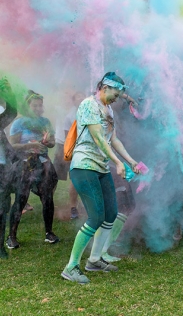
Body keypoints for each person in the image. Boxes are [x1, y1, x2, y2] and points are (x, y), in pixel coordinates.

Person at [61, 72, 142, 284]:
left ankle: (94, 260)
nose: (117, 98)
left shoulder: (108, 110)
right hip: (84, 166)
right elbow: (98, 138)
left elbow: (113, 140)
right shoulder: (88, 105)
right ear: (104, 88)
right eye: (115, 94)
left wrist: (130, 161)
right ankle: (71, 267)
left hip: (101, 167)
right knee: (96, 216)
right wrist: (117, 163)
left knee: (111, 214)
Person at [7, 90, 59, 249]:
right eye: (34, 105)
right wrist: (30, 145)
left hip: (43, 164)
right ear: (27, 106)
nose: (37, 108)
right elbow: (12, 145)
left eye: (40, 105)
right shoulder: (19, 123)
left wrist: (47, 142)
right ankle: (11, 237)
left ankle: (49, 233)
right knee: (21, 199)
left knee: (48, 199)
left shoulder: (45, 122)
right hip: (25, 165)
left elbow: (52, 143)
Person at [53, 92, 86, 220]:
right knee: (55, 176)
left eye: (83, 96)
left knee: (75, 179)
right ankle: (48, 202)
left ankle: (74, 207)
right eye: (78, 97)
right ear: (73, 101)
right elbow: (69, 138)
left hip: (79, 149)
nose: (82, 98)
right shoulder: (70, 115)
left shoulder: (87, 111)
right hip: (65, 147)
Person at [0, 78, 18, 259]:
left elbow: (11, 112)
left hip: (3, 165)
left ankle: (0, 246)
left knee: (2, 206)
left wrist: (9, 94)